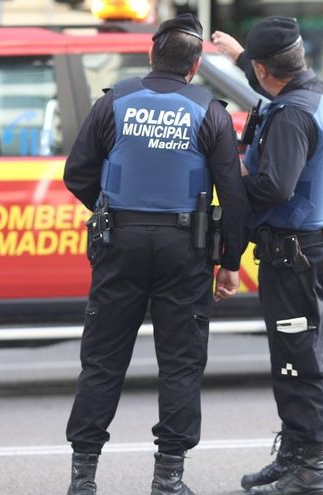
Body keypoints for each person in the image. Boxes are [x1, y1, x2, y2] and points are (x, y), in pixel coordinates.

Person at [63, 13, 251, 495]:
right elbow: (232, 194)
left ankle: (83, 480)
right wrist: (230, 262)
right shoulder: (210, 111)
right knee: (181, 361)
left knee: (102, 360)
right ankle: (168, 478)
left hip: (118, 244)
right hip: (184, 250)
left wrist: (111, 211)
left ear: (150, 54)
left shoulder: (115, 102)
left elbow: (77, 173)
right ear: (194, 67)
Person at [213, 16, 323, 495]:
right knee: (294, 361)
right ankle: (295, 455)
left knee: (300, 366)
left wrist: (229, 187)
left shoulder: (291, 116)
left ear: (264, 69)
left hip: (296, 259)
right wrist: (237, 57)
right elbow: (273, 91)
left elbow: (274, 186)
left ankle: (310, 470)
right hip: (322, 250)